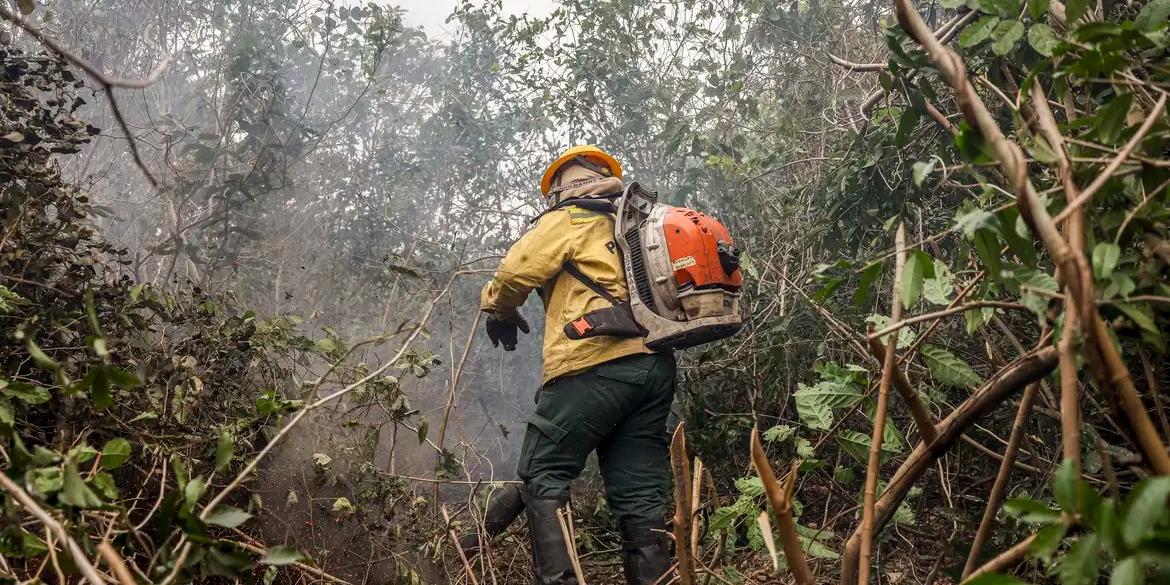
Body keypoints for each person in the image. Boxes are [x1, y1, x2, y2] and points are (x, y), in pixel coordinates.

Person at [479, 145, 676, 585]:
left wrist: (500, 309)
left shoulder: (570, 218)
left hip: (593, 362)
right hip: (653, 367)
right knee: (640, 493)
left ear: (559, 190)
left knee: (543, 474)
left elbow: (513, 274)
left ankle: (482, 550)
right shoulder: (638, 222)